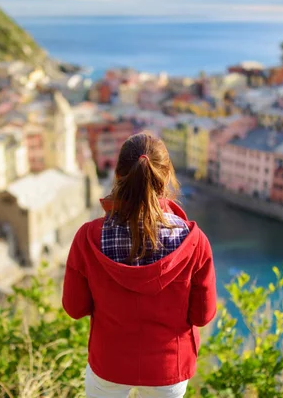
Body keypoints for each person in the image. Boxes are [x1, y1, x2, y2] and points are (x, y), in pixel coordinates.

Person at [62, 133, 217, 397]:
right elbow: (202, 315)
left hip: (109, 361)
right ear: (166, 177)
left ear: (118, 176)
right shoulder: (194, 242)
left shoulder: (89, 238)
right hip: (169, 367)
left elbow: (75, 308)